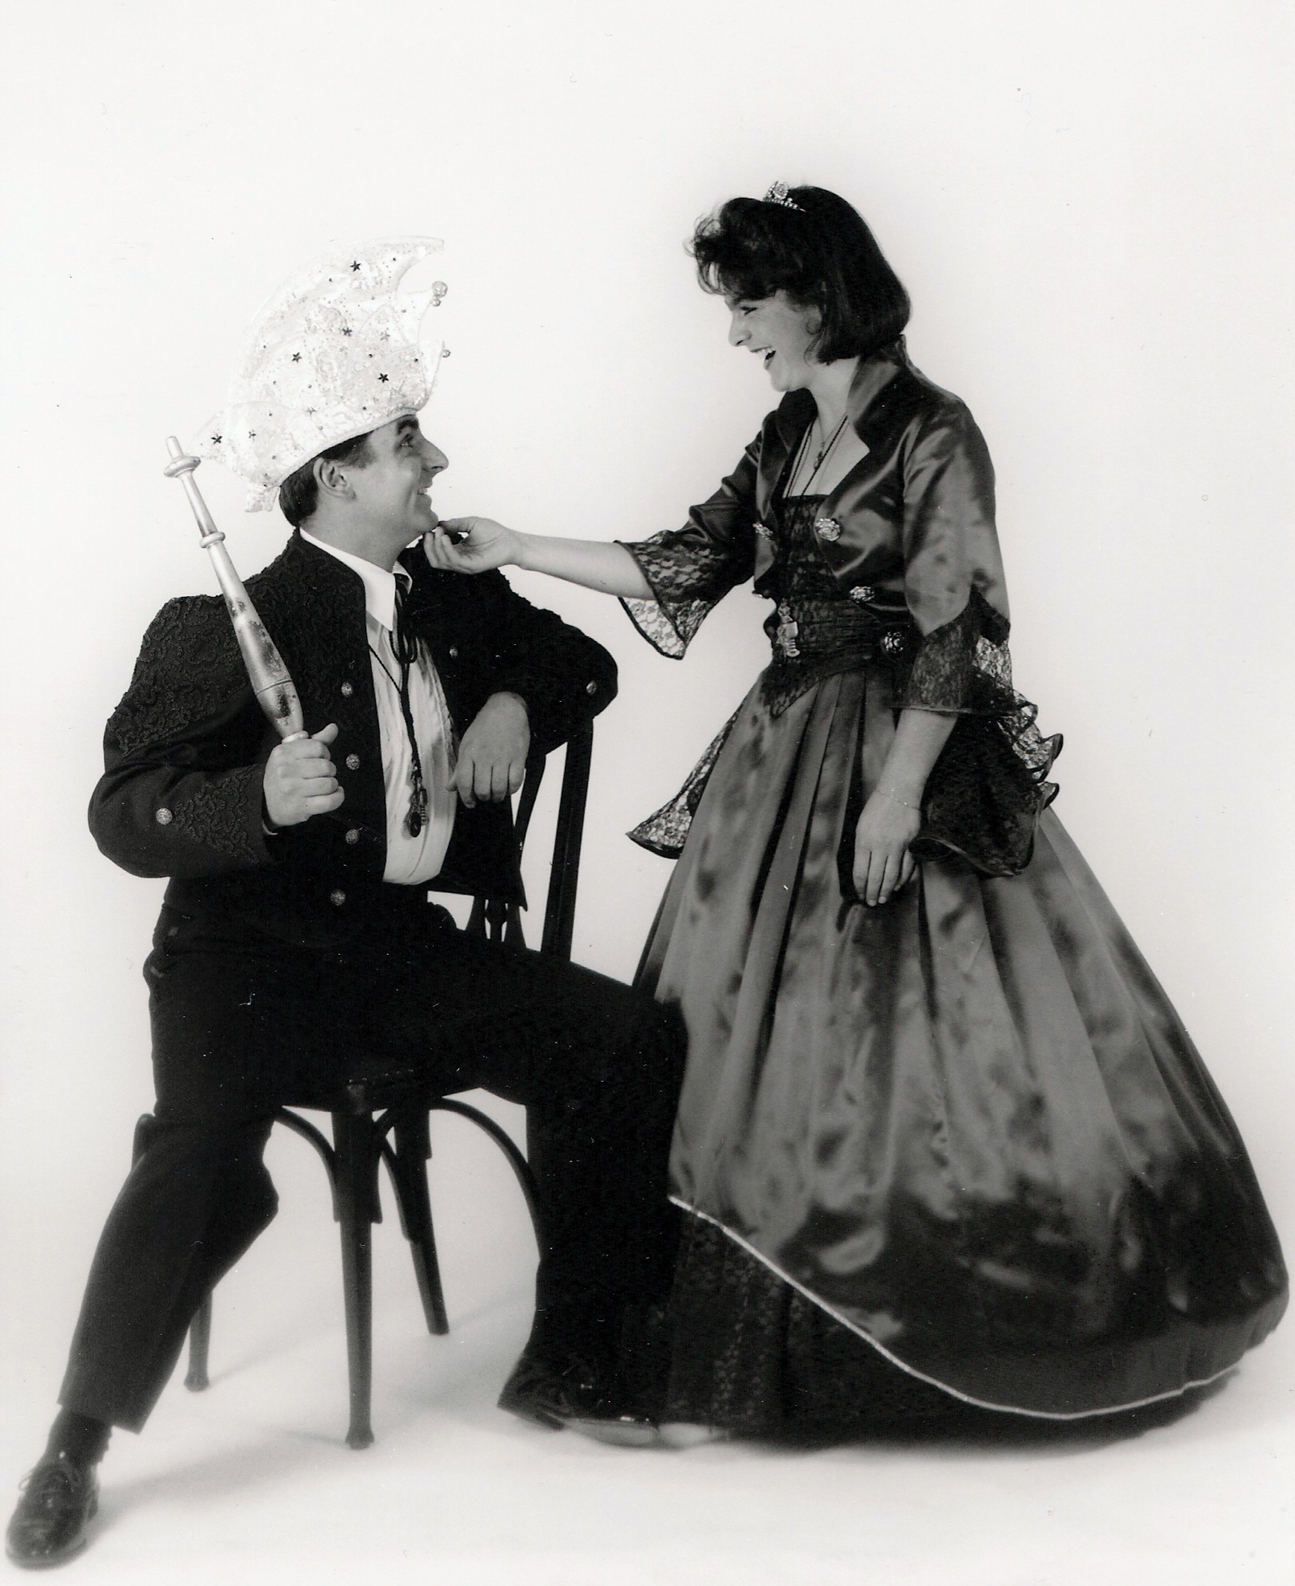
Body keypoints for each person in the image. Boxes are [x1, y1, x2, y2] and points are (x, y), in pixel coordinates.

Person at [424, 185, 1288, 1443]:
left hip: (899, 747)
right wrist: (514, 544)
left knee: (911, 1031)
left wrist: (894, 797)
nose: (734, 331)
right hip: (784, 743)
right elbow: (687, 560)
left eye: (747, 305)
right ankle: (722, 1347)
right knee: (734, 1033)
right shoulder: (787, 428)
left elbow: (954, 626)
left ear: (815, 296)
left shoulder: (933, 430)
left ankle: (899, 1326)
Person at [5, 240, 681, 1569]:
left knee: (628, 1042)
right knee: (203, 1156)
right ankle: (73, 1445)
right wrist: (251, 797)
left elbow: (583, 663)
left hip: (391, 950)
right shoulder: (223, 623)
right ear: (333, 476)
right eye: (404, 441)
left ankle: (575, 1352)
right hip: (242, 956)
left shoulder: (452, 595)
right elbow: (120, 810)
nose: (434, 461)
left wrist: (509, 699)